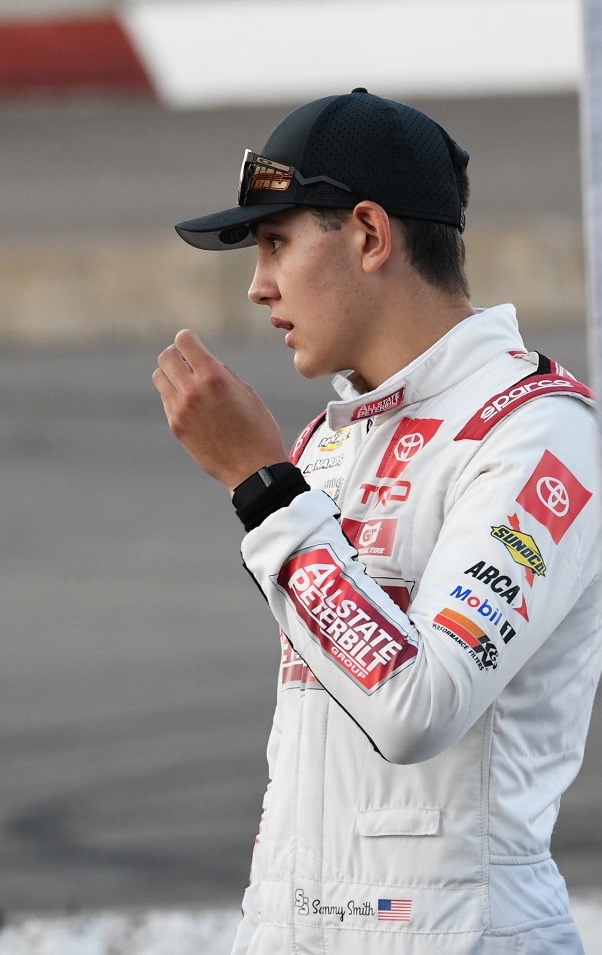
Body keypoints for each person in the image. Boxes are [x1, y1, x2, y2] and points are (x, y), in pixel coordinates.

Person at [153, 89, 600, 953]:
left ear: (367, 234)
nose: (256, 285)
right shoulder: (326, 440)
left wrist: (259, 485)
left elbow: (415, 709)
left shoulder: (537, 432)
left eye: (277, 241)